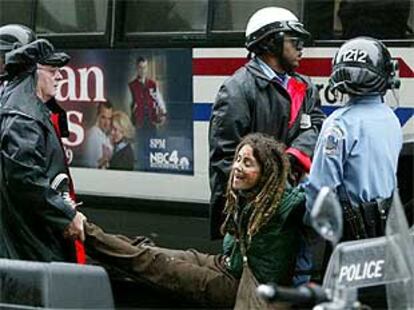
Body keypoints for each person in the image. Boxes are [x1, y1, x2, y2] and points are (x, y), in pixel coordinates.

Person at [84, 133, 305, 308]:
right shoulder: (248, 198)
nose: (237, 167)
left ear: (266, 174)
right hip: (229, 266)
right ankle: (90, 248)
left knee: (158, 265)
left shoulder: (280, 207)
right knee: (150, 251)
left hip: (242, 287)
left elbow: (302, 203)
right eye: (238, 159)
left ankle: (87, 234)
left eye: (247, 163)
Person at [209, 6, 325, 239]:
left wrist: (291, 156)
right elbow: (226, 160)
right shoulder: (237, 90)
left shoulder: (305, 85)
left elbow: (317, 126)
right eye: (295, 42)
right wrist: (246, 212)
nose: (301, 49)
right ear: (271, 43)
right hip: (256, 218)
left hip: (292, 208)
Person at [0, 25, 86, 262]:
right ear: (33, 72)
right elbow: (25, 178)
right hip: (33, 244)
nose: (59, 76)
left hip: (33, 239)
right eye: (52, 70)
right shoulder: (23, 117)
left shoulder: (26, 108)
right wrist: (65, 214)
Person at [305, 37, 403, 241]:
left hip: (350, 234)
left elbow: (320, 190)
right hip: (386, 227)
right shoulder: (391, 117)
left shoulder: (338, 125)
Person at [129, 56, 167, 170]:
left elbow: (158, 98)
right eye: (140, 67)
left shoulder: (152, 84)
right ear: (137, 68)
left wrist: (163, 113)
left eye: (144, 67)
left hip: (151, 120)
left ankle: (153, 167)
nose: (143, 70)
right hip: (139, 121)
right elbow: (131, 103)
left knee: (152, 144)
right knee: (141, 145)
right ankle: (143, 167)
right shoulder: (132, 85)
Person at [84, 101, 113, 169]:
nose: (107, 123)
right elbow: (90, 165)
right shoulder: (93, 136)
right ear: (97, 116)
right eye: (103, 117)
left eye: (109, 118)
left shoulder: (105, 136)